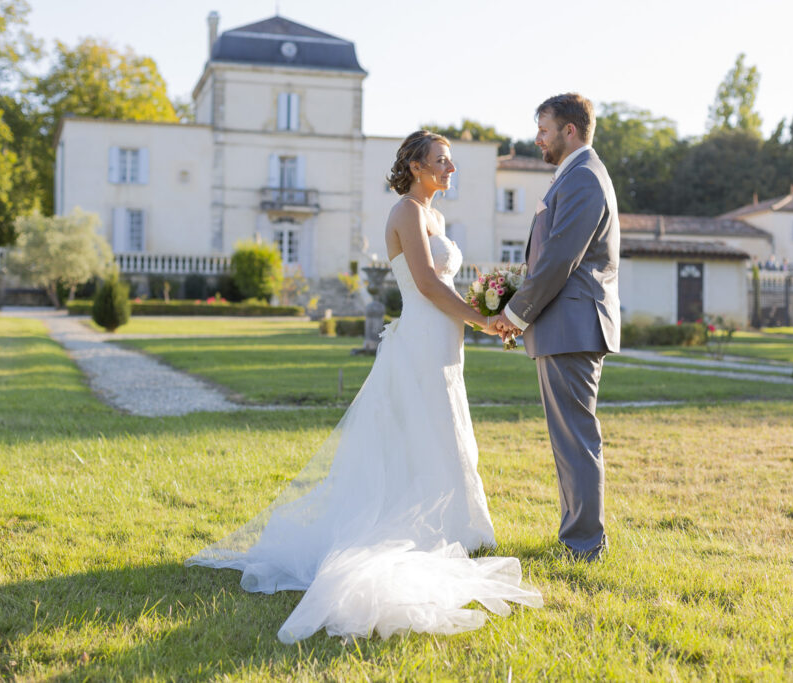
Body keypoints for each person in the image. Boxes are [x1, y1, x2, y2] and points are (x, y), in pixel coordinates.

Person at [186, 131, 542, 644]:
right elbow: (426, 283)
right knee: (421, 427)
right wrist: (481, 319)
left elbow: (442, 283)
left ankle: (454, 525)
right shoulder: (406, 212)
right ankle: (416, 528)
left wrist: (485, 308)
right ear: (417, 167)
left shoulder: (436, 217)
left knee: (444, 426)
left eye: (451, 161)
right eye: (442, 161)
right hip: (421, 337)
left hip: (445, 339)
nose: (451, 169)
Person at [496, 93, 621, 562]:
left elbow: (558, 259)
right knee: (569, 440)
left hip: (573, 325)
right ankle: (577, 537)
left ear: (570, 130)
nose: (537, 139)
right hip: (564, 325)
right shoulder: (573, 175)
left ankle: (584, 546)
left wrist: (513, 314)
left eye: (544, 130)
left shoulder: (584, 176)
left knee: (576, 439)